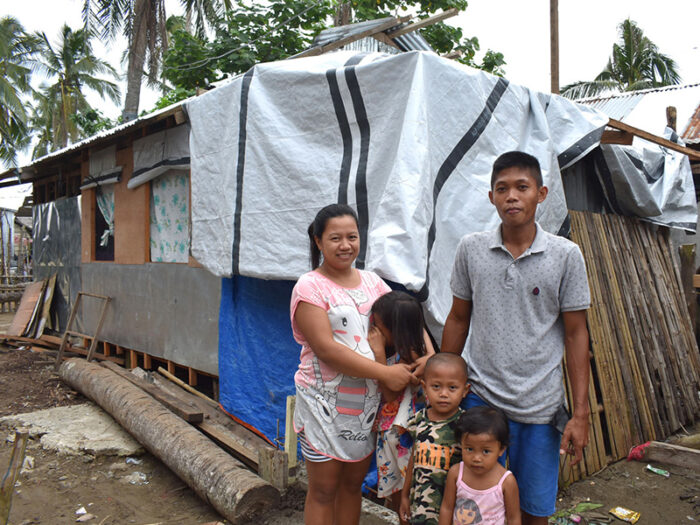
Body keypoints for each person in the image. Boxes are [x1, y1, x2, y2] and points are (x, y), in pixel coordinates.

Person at [441, 151, 591, 525]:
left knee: (532, 512)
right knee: (471, 506)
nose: (511, 196)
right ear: (491, 196)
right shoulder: (471, 249)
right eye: (502, 188)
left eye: (521, 187)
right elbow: (459, 318)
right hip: (481, 401)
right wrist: (440, 384)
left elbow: (576, 333)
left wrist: (582, 412)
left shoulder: (565, 255)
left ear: (540, 194)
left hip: (539, 409)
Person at [291, 203, 417, 525]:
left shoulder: (373, 283)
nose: (345, 245)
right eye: (335, 238)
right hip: (324, 405)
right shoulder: (309, 286)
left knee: (351, 486)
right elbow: (327, 349)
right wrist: (386, 372)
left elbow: (404, 317)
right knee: (322, 490)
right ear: (318, 241)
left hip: (365, 408)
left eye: (352, 237)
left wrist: (427, 354)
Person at [369, 291, 435, 509]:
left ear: (394, 328)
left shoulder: (411, 357)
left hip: (403, 437)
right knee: (400, 496)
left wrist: (378, 353)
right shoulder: (419, 349)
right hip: (396, 438)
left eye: (378, 325)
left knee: (406, 496)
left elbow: (390, 395)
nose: (375, 330)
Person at [399, 353, 469, 525]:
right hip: (420, 508)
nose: (443, 394)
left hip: (453, 512)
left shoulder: (465, 425)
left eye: (452, 388)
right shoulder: (419, 420)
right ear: (424, 387)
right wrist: (405, 496)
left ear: (465, 390)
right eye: (436, 386)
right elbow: (413, 461)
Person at [438, 407, 521, 525]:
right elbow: (447, 508)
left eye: (486, 451)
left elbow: (514, 518)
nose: (476, 458)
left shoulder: (506, 481)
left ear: (501, 449)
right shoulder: (456, 473)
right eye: (469, 449)